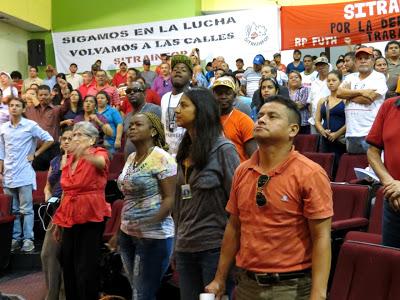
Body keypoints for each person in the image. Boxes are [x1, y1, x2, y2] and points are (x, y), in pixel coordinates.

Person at [206, 96, 333, 300]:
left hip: (290, 288)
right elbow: (234, 227)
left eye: (272, 116)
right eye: (261, 115)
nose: (262, 119)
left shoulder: (310, 173)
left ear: (293, 130)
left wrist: (318, 294)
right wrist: (220, 278)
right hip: (247, 284)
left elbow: (321, 237)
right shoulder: (242, 170)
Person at [172, 87, 240, 300]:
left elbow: (239, 205)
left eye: (184, 105)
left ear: (201, 110)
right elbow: (178, 206)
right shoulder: (184, 152)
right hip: (185, 247)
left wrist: (236, 254)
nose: (177, 110)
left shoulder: (224, 150)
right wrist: (176, 242)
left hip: (214, 248)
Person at [116, 112, 177, 299]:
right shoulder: (131, 157)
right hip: (127, 234)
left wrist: (151, 221)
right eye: (130, 124)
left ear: (152, 131)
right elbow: (128, 198)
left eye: (138, 124)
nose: (131, 127)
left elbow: (170, 198)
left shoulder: (162, 158)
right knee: (137, 290)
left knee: (142, 294)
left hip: (154, 236)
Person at [52, 122, 111, 300]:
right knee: (67, 263)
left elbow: (101, 163)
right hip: (68, 215)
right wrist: (58, 222)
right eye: (73, 135)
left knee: (85, 267)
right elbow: (66, 192)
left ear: (92, 139)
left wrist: (84, 153)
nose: (74, 138)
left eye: (79, 135)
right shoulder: (69, 159)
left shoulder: (99, 153)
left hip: (90, 214)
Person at [0, 98, 54, 252]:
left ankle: (28, 239)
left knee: (27, 210)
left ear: (23, 109)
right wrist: (0, 171)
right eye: (11, 106)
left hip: (24, 172)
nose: (14, 108)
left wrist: (35, 154)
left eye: (17, 105)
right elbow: (1, 152)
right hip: (8, 173)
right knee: (13, 210)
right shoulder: (3, 127)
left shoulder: (30, 125)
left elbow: (49, 139)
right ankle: (15, 239)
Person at [41, 128, 73, 300]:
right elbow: (48, 184)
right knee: (47, 254)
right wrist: (47, 194)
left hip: (71, 209)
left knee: (63, 255)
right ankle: (52, 294)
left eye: (70, 138)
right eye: (64, 139)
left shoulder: (78, 160)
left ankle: (62, 294)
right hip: (55, 210)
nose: (67, 142)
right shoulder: (54, 160)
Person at [337, 47, 387, 154]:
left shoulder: (378, 77)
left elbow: (368, 99)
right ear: (355, 62)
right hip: (351, 133)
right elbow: (339, 93)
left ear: (373, 61)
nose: (363, 61)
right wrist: (362, 92)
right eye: (360, 58)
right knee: (353, 165)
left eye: (366, 58)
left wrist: (348, 94)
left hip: (370, 132)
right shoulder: (350, 77)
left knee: (372, 167)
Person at [366, 96, 400, 248]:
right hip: (394, 200)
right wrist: (390, 183)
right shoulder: (389, 106)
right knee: (391, 259)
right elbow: (372, 152)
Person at [212, 76, 257, 162]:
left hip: (238, 173)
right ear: (213, 95)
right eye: (219, 93)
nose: (223, 97)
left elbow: (254, 157)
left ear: (234, 96)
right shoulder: (207, 120)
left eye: (228, 93)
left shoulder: (244, 121)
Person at [25, 85, 67, 171]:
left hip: (53, 149)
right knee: (37, 177)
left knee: (54, 175)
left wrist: (64, 90)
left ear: (50, 96)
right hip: (35, 150)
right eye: (40, 95)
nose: (43, 97)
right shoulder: (29, 110)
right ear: (37, 96)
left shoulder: (57, 109)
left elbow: (68, 105)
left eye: (45, 95)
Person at [315, 71, 346, 174]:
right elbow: (317, 120)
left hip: (340, 140)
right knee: (325, 166)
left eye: (334, 80)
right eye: (328, 81)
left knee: (340, 166)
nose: (331, 83)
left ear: (340, 82)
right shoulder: (322, 101)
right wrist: (322, 131)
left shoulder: (346, 100)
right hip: (326, 138)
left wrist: (337, 134)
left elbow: (351, 121)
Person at [161, 55, 192, 156]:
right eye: (175, 69)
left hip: (188, 156)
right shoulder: (165, 98)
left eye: (183, 70)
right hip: (169, 158)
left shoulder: (194, 97)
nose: (178, 71)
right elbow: (164, 126)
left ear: (191, 76)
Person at [123, 81, 161, 157]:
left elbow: (161, 136)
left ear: (144, 93)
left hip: (150, 161)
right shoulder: (128, 116)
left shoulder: (154, 110)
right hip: (131, 162)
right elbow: (127, 141)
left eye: (136, 90)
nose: (132, 93)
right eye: (128, 91)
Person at [307, 57, 331, 134]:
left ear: (328, 66)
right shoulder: (313, 83)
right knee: (314, 144)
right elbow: (310, 101)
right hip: (314, 120)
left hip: (328, 120)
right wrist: (312, 116)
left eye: (323, 65)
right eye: (319, 66)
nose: (321, 68)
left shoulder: (331, 81)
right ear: (316, 68)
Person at [96, 91, 123, 155]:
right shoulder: (93, 111)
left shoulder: (113, 111)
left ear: (107, 100)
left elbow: (119, 124)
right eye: (98, 98)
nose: (99, 100)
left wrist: (118, 140)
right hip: (96, 143)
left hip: (110, 143)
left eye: (102, 98)